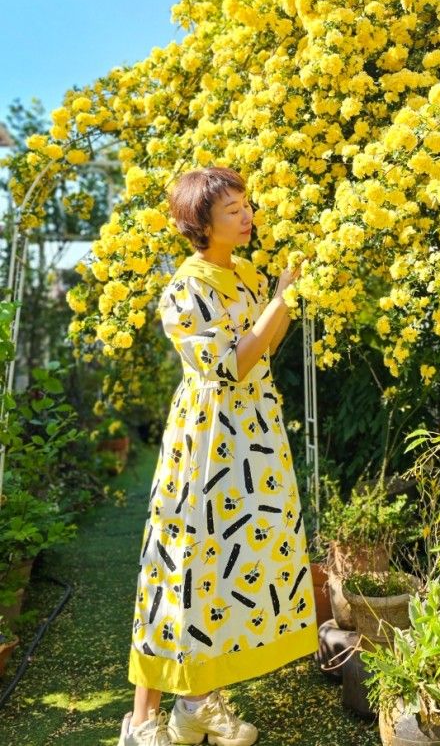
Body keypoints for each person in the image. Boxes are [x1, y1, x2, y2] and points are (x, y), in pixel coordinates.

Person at [119, 166, 319, 746]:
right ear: (200, 223)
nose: (246, 215)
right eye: (233, 209)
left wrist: (278, 297)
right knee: (180, 559)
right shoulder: (183, 290)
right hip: (206, 436)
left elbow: (266, 346)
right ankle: (144, 721)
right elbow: (230, 363)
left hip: (254, 431)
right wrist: (281, 298)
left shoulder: (250, 276)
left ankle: (197, 703)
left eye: (246, 204)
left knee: (229, 565)